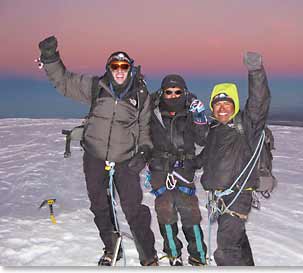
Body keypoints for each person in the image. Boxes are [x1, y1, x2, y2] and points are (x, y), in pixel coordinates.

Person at [37, 36, 158, 266]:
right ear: (109, 69)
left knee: (133, 208)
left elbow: (145, 129)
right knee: (99, 204)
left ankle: (148, 255)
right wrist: (51, 58)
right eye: (115, 66)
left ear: (130, 69)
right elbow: (65, 82)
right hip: (94, 155)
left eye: (124, 67)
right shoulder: (95, 86)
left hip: (125, 159)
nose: (119, 71)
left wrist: (144, 151)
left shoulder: (141, 96)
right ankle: (111, 245)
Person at [197, 52, 271, 266]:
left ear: (235, 104)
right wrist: (185, 164)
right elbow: (206, 157)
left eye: (226, 103)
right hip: (220, 198)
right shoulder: (215, 130)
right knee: (237, 241)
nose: (221, 109)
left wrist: (256, 72)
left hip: (238, 195)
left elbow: (259, 101)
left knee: (226, 251)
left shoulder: (247, 125)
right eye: (217, 104)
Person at [147, 74, 208, 266]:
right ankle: (173, 254)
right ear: (162, 92)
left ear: (184, 92)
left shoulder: (191, 112)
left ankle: (198, 255)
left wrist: (199, 118)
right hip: (159, 170)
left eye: (178, 92)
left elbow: (203, 139)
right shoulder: (151, 112)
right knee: (165, 211)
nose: (173, 95)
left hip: (184, 169)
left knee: (190, 212)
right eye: (169, 91)